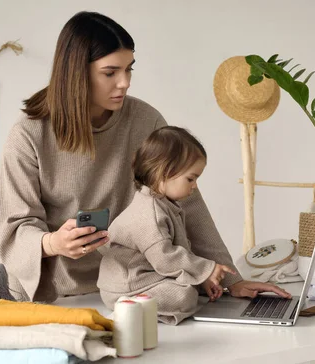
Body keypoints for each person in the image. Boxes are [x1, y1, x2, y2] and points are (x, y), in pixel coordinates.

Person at [0, 11, 290, 305]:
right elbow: (13, 227)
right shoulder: (29, 134)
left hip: (132, 282)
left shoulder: (145, 120)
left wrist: (231, 279)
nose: (125, 82)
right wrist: (52, 242)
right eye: (110, 72)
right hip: (57, 294)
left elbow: (186, 203)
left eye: (129, 69)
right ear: (75, 72)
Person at [99, 126, 249, 324]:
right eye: (190, 178)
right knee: (185, 296)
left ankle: (142, 305)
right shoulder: (149, 213)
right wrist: (206, 269)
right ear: (163, 173)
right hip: (127, 286)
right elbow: (165, 258)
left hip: (147, 277)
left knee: (192, 288)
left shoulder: (163, 204)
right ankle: (128, 308)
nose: (194, 186)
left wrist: (202, 277)